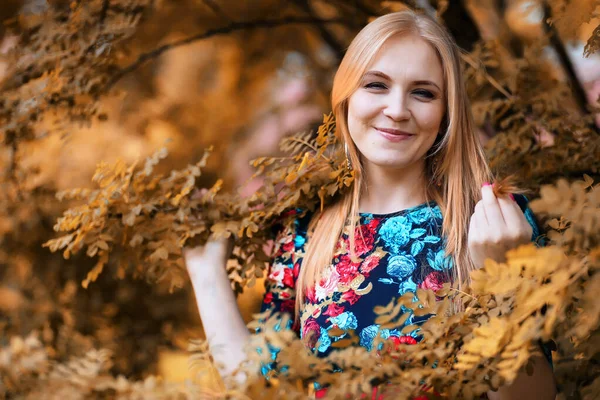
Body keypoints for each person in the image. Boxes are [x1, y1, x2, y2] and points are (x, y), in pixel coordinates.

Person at [184, 9, 556, 399]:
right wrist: (205, 271)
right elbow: (263, 387)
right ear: (346, 96)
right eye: (376, 85)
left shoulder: (495, 222)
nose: (397, 109)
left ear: (447, 112)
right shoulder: (304, 229)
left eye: (423, 92)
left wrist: (502, 282)